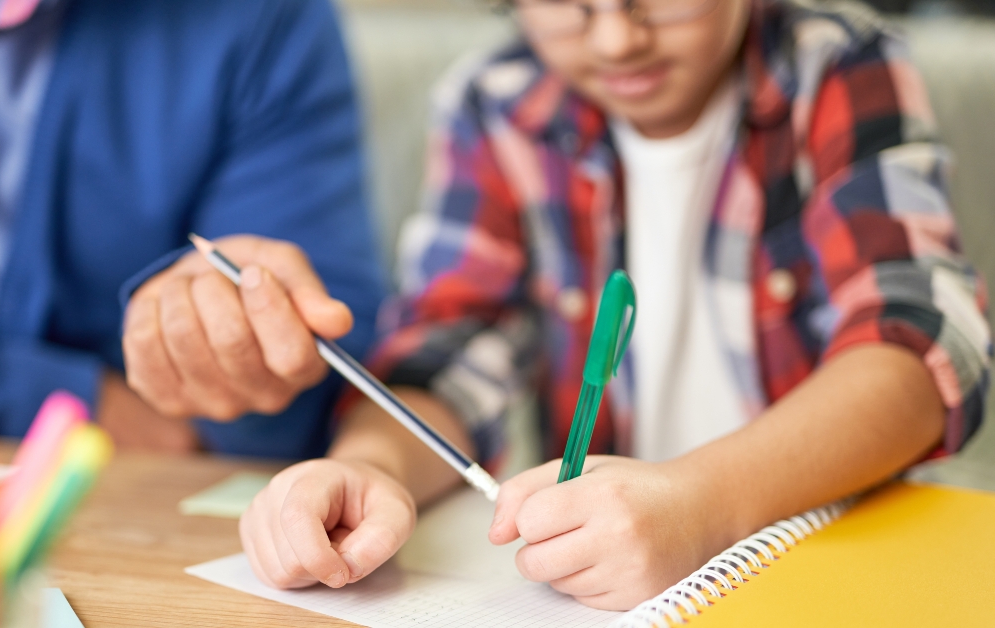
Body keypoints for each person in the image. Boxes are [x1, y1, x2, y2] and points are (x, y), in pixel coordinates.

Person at [235, 0, 991, 610]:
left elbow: (918, 348)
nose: (617, 39)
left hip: (842, 555)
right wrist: (369, 465)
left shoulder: (836, 67)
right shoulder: (496, 104)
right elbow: (454, 349)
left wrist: (704, 504)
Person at [0, 0, 385, 458]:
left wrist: (241, 367)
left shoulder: (261, 20)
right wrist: (69, 402)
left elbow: (317, 396)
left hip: (129, 525)